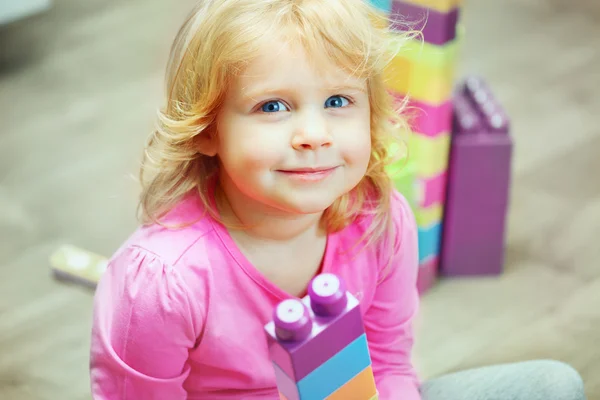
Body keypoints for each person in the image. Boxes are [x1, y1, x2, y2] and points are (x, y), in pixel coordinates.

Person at [89, 0, 587, 399]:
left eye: (337, 101)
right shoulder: (159, 284)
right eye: (273, 105)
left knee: (552, 385)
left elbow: (388, 360)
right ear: (205, 131)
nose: (313, 134)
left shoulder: (381, 220)